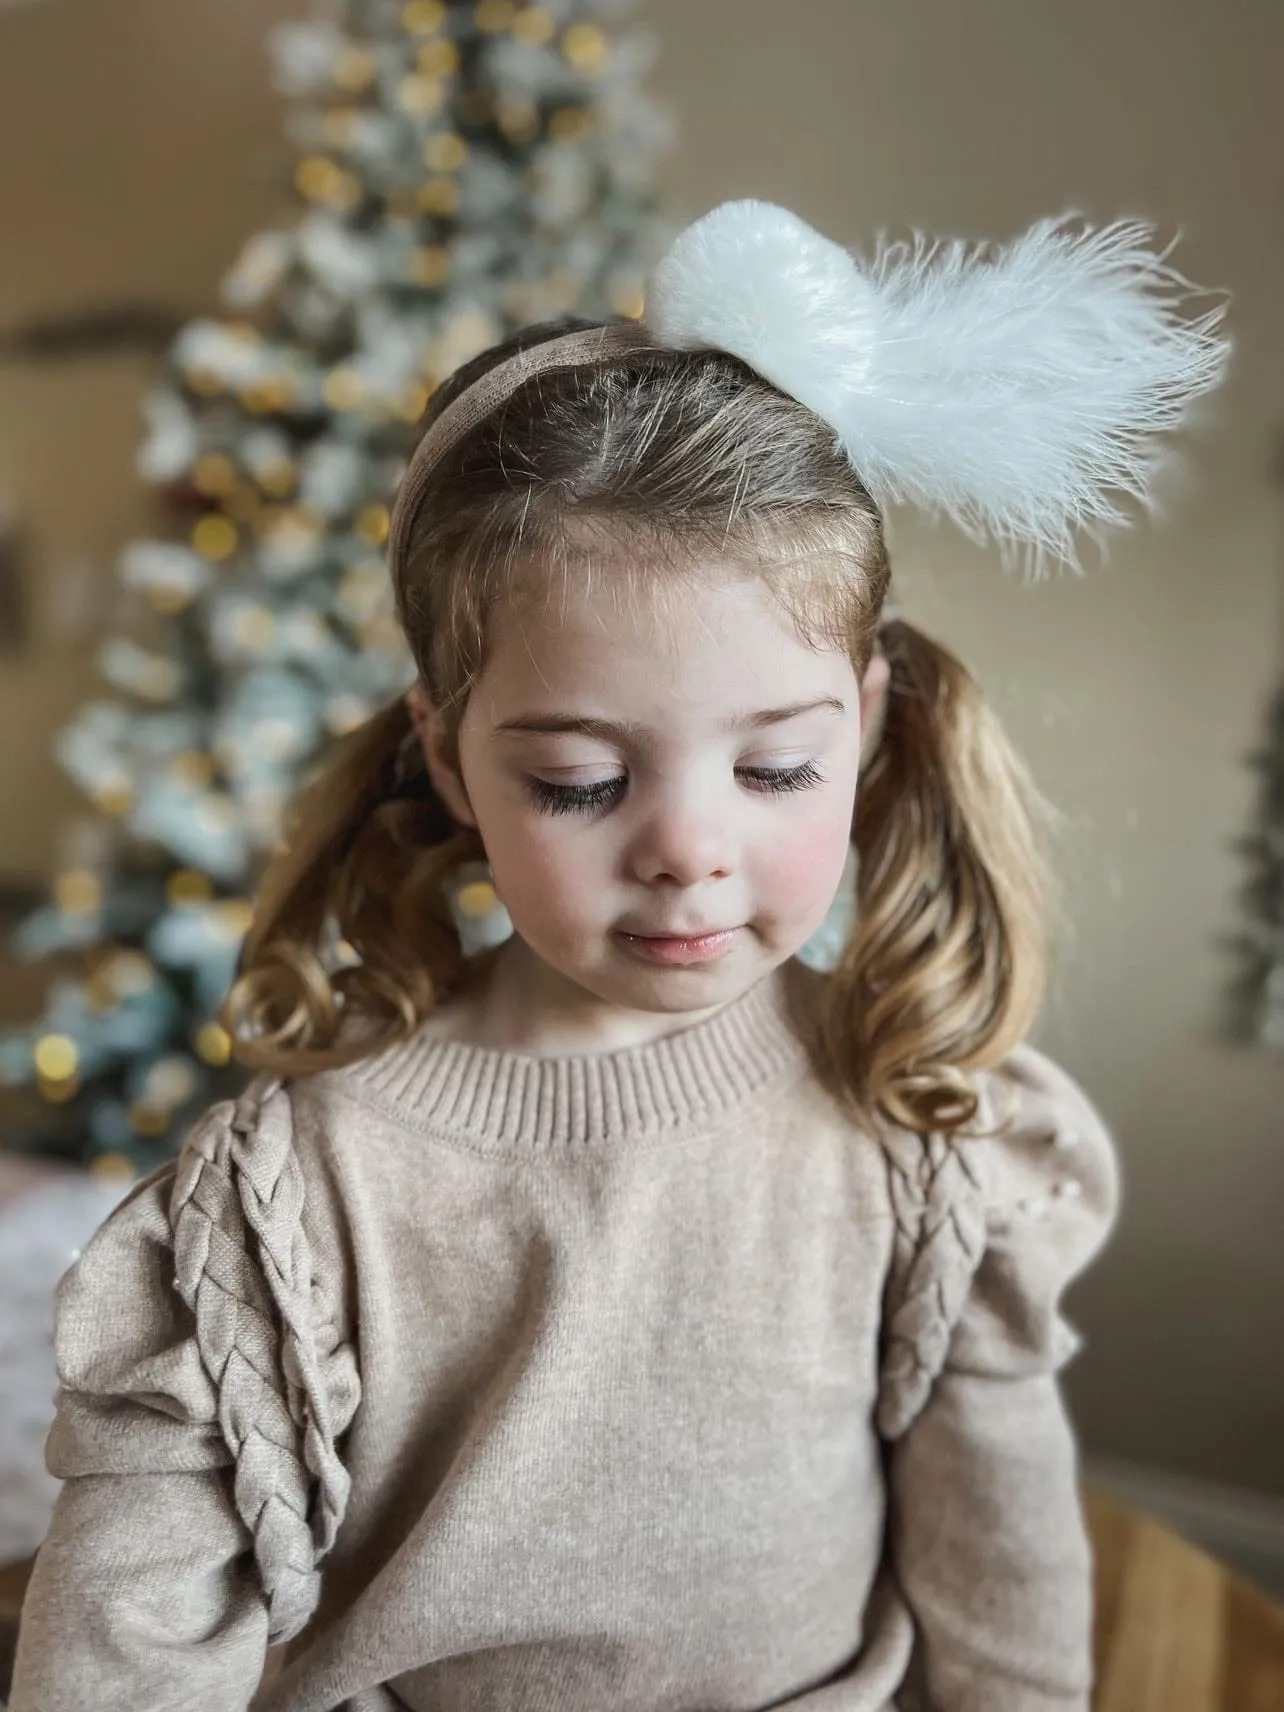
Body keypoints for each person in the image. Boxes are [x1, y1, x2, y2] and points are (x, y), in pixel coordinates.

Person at [10, 199, 1229, 1712]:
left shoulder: (913, 1110)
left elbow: (1000, 1563)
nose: (686, 848)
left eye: (774, 769)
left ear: (866, 725)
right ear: (450, 765)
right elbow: (123, 1648)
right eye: (582, 782)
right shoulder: (298, 1198)